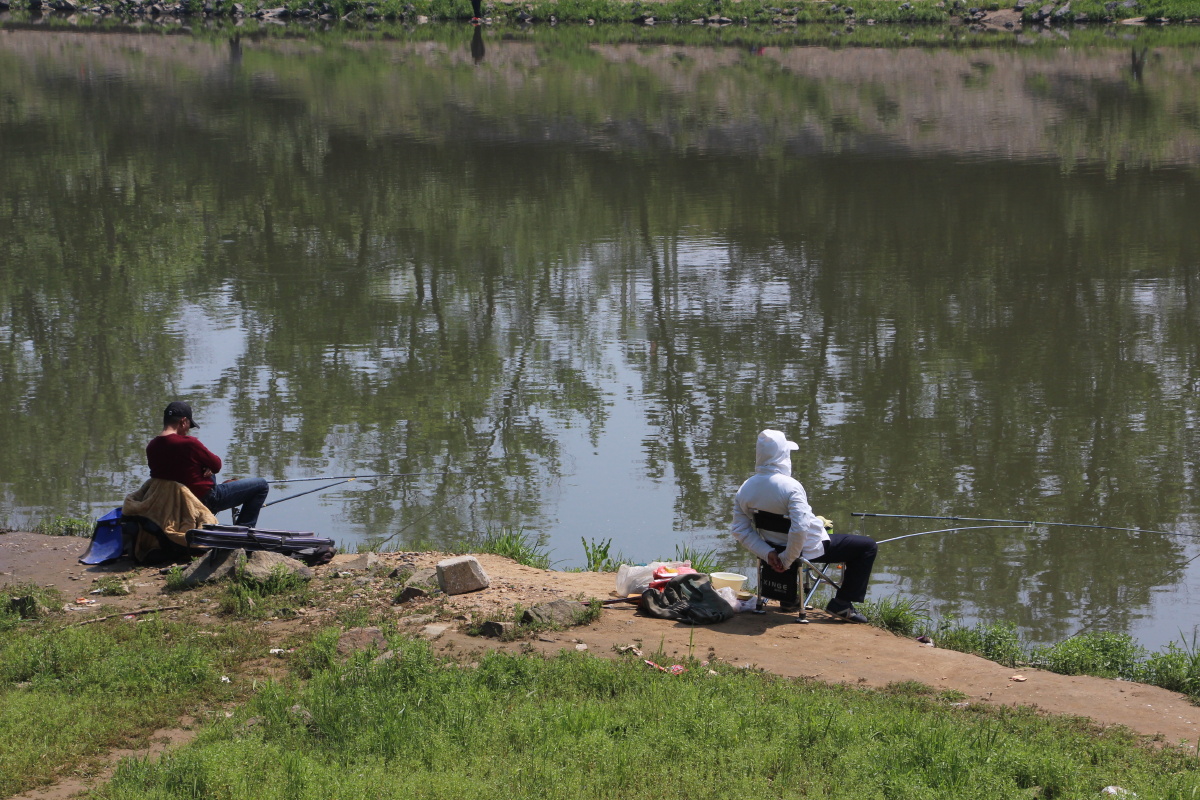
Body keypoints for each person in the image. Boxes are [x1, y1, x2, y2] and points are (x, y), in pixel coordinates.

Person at [731, 429, 877, 623]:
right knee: (867, 546)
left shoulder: (745, 487)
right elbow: (799, 529)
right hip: (807, 550)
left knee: (798, 536)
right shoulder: (791, 487)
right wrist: (787, 559)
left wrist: (768, 553)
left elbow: (739, 530)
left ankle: (788, 598)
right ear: (783, 456)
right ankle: (842, 603)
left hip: (773, 548)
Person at [146, 401, 269, 528]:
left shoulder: (152, 446)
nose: (188, 431)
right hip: (205, 500)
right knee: (261, 485)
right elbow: (217, 465)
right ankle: (243, 533)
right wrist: (207, 466)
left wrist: (201, 467)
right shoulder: (188, 444)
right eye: (189, 425)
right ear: (183, 421)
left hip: (172, 503)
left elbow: (174, 469)